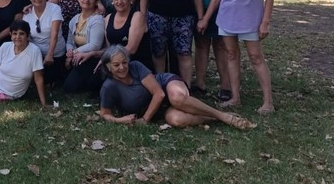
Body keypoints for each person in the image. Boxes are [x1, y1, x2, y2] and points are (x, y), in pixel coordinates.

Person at [201, 0, 275, 114]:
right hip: (227, 18)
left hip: (250, 20)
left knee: (256, 57)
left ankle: (268, 102)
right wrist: (206, 18)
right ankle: (235, 97)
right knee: (232, 55)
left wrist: (265, 22)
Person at [98, 45, 255, 129]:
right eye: (116, 65)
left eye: (124, 62)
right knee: (177, 120)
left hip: (165, 85)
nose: (122, 68)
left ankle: (224, 116)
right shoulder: (108, 87)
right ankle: (213, 118)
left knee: (177, 98)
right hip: (159, 110)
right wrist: (120, 120)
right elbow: (105, 114)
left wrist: (145, 119)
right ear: (108, 67)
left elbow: (159, 94)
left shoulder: (136, 66)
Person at [62, 0, 105, 94]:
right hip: (77, 55)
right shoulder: (75, 19)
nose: (86, 0)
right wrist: (69, 52)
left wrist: (74, 52)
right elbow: (70, 41)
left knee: (69, 87)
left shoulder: (97, 20)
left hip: (92, 57)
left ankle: (93, 80)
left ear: (96, 2)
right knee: (66, 82)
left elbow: (95, 45)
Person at [23, 0, 67, 86]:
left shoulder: (54, 9)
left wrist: (50, 55)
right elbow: (26, 36)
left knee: (49, 80)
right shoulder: (27, 13)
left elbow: (54, 33)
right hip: (36, 53)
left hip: (54, 53)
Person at [104, 0, 153, 71]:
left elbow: (131, 49)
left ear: (130, 0)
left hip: (137, 66)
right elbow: (108, 46)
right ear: (113, 1)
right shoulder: (108, 18)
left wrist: (107, 58)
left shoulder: (137, 16)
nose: (119, 2)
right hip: (115, 65)